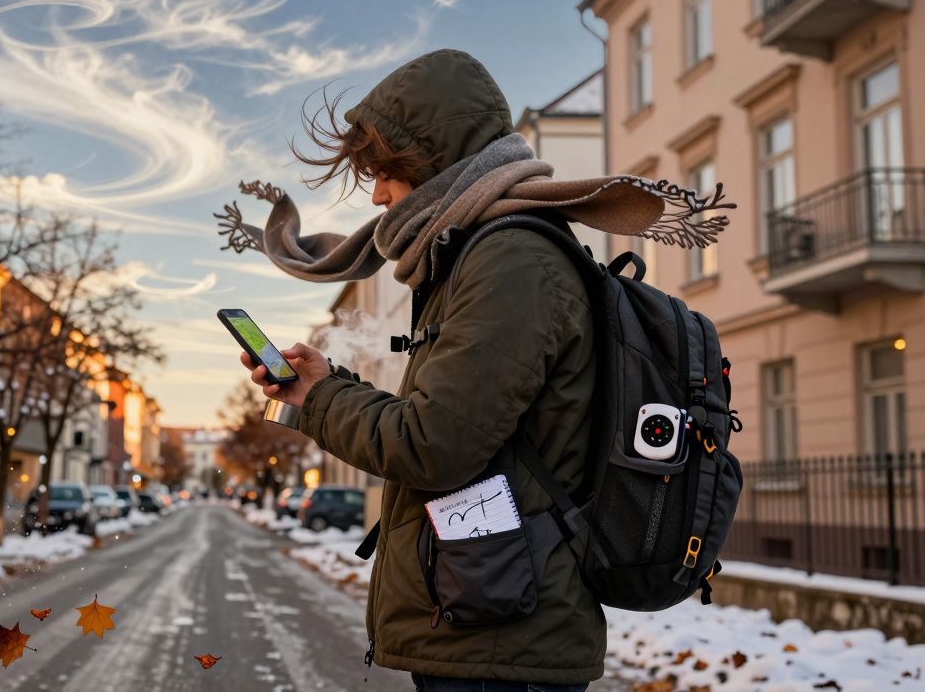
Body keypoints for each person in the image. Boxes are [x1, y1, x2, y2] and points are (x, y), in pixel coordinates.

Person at [223, 50, 699, 691]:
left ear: (434, 164)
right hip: (492, 609)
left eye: (387, 172)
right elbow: (459, 428)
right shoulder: (485, 252)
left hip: (503, 634)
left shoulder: (510, 259)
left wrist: (321, 398)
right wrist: (326, 384)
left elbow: (431, 446)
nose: (377, 194)